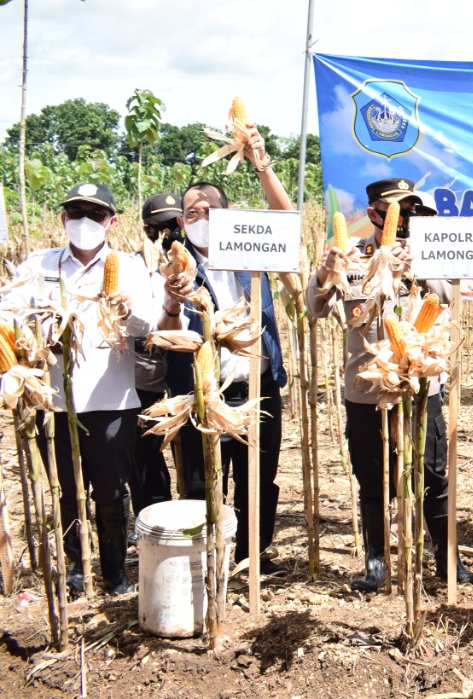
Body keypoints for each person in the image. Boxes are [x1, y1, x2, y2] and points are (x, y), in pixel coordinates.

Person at [309, 177, 473, 591]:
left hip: (420, 388)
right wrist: (325, 272)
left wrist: (416, 266)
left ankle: (448, 560)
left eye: (412, 211)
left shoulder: (426, 253)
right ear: (374, 214)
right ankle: (377, 563)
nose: (405, 219)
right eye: (397, 211)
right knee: (373, 479)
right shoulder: (351, 257)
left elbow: (449, 297)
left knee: (433, 475)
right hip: (367, 390)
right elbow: (315, 308)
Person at [6, 184, 162, 594]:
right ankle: (77, 566)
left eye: (95, 214)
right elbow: (9, 314)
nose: (84, 221)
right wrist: (39, 329)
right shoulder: (39, 264)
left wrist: (126, 311)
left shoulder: (128, 266)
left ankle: (114, 571)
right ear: (63, 219)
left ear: (112, 222)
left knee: (111, 491)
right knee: (66, 491)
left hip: (111, 400)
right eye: (75, 213)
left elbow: (149, 326)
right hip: (53, 400)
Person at [164, 134, 293, 576]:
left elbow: (286, 219)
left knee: (258, 477)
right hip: (204, 393)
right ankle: (207, 560)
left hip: (257, 387)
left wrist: (261, 163)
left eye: (209, 211)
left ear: (229, 214)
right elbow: (164, 330)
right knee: (203, 480)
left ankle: (252, 557)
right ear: (182, 221)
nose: (200, 218)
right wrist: (172, 299)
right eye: (192, 213)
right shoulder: (174, 268)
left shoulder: (251, 252)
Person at [131, 192, 184, 518]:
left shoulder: (193, 265)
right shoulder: (133, 267)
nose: (168, 235)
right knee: (146, 447)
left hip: (186, 367)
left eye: (172, 226)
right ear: (146, 229)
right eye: (159, 228)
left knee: (188, 447)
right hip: (146, 370)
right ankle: (153, 513)